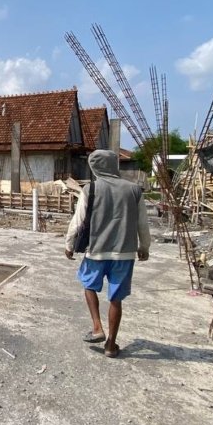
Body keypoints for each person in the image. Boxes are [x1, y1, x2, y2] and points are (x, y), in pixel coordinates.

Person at [64, 149, 151, 358]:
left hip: (96, 251)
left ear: (95, 167)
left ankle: (97, 327)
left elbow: (78, 220)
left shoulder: (91, 188)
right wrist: (144, 247)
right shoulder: (134, 190)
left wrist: (69, 244)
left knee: (88, 286)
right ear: (114, 165)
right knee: (116, 299)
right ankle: (111, 345)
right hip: (124, 254)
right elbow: (142, 223)